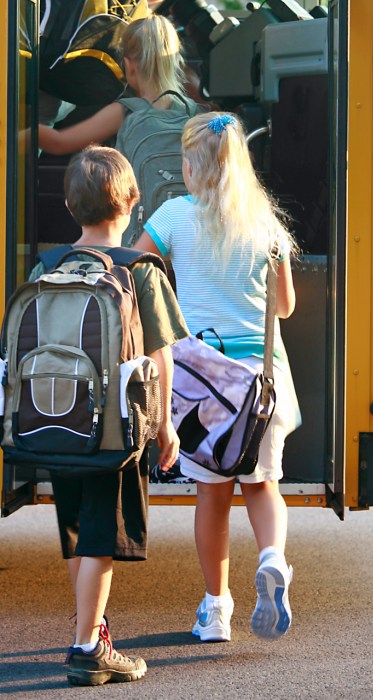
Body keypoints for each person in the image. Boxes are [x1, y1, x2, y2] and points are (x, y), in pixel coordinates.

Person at [135, 112, 300, 644]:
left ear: (188, 168)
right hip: (260, 381)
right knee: (264, 486)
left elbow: (136, 268)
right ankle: (273, 558)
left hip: (204, 382)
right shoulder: (267, 224)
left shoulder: (175, 216)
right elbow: (287, 307)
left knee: (213, 497)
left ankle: (216, 609)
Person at [28, 146, 188, 686]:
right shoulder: (139, 270)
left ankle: (90, 629)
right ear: (131, 205)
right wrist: (165, 422)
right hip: (117, 427)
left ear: (71, 206)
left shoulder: (46, 266)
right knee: (104, 532)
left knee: (76, 525)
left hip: (54, 420)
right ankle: (87, 646)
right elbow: (160, 356)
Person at [35, 13, 189, 156]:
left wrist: (18, 134)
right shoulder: (192, 110)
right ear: (176, 62)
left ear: (129, 66)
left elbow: (59, 142)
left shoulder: (126, 112)